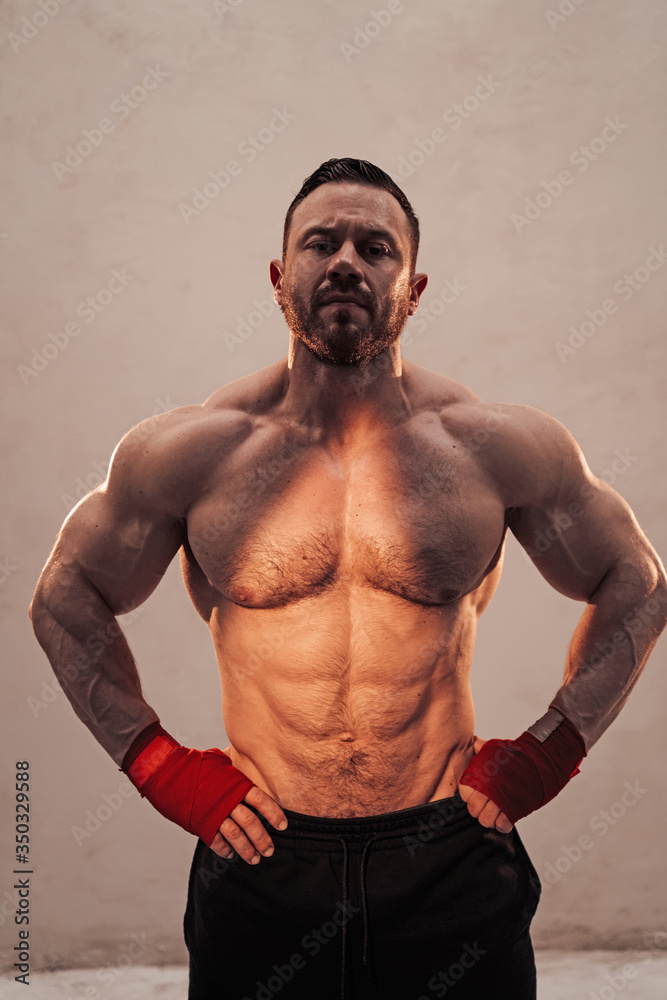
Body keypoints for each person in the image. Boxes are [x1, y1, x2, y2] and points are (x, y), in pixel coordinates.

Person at [30, 158, 666, 1000]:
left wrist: (548, 754)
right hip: (261, 860)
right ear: (277, 275)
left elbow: (637, 581)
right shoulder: (193, 453)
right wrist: (158, 765)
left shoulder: (493, 447)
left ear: (413, 287)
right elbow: (65, 598)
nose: (345, 263)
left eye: (375, 247)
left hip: (450, 853)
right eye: (319, 242)